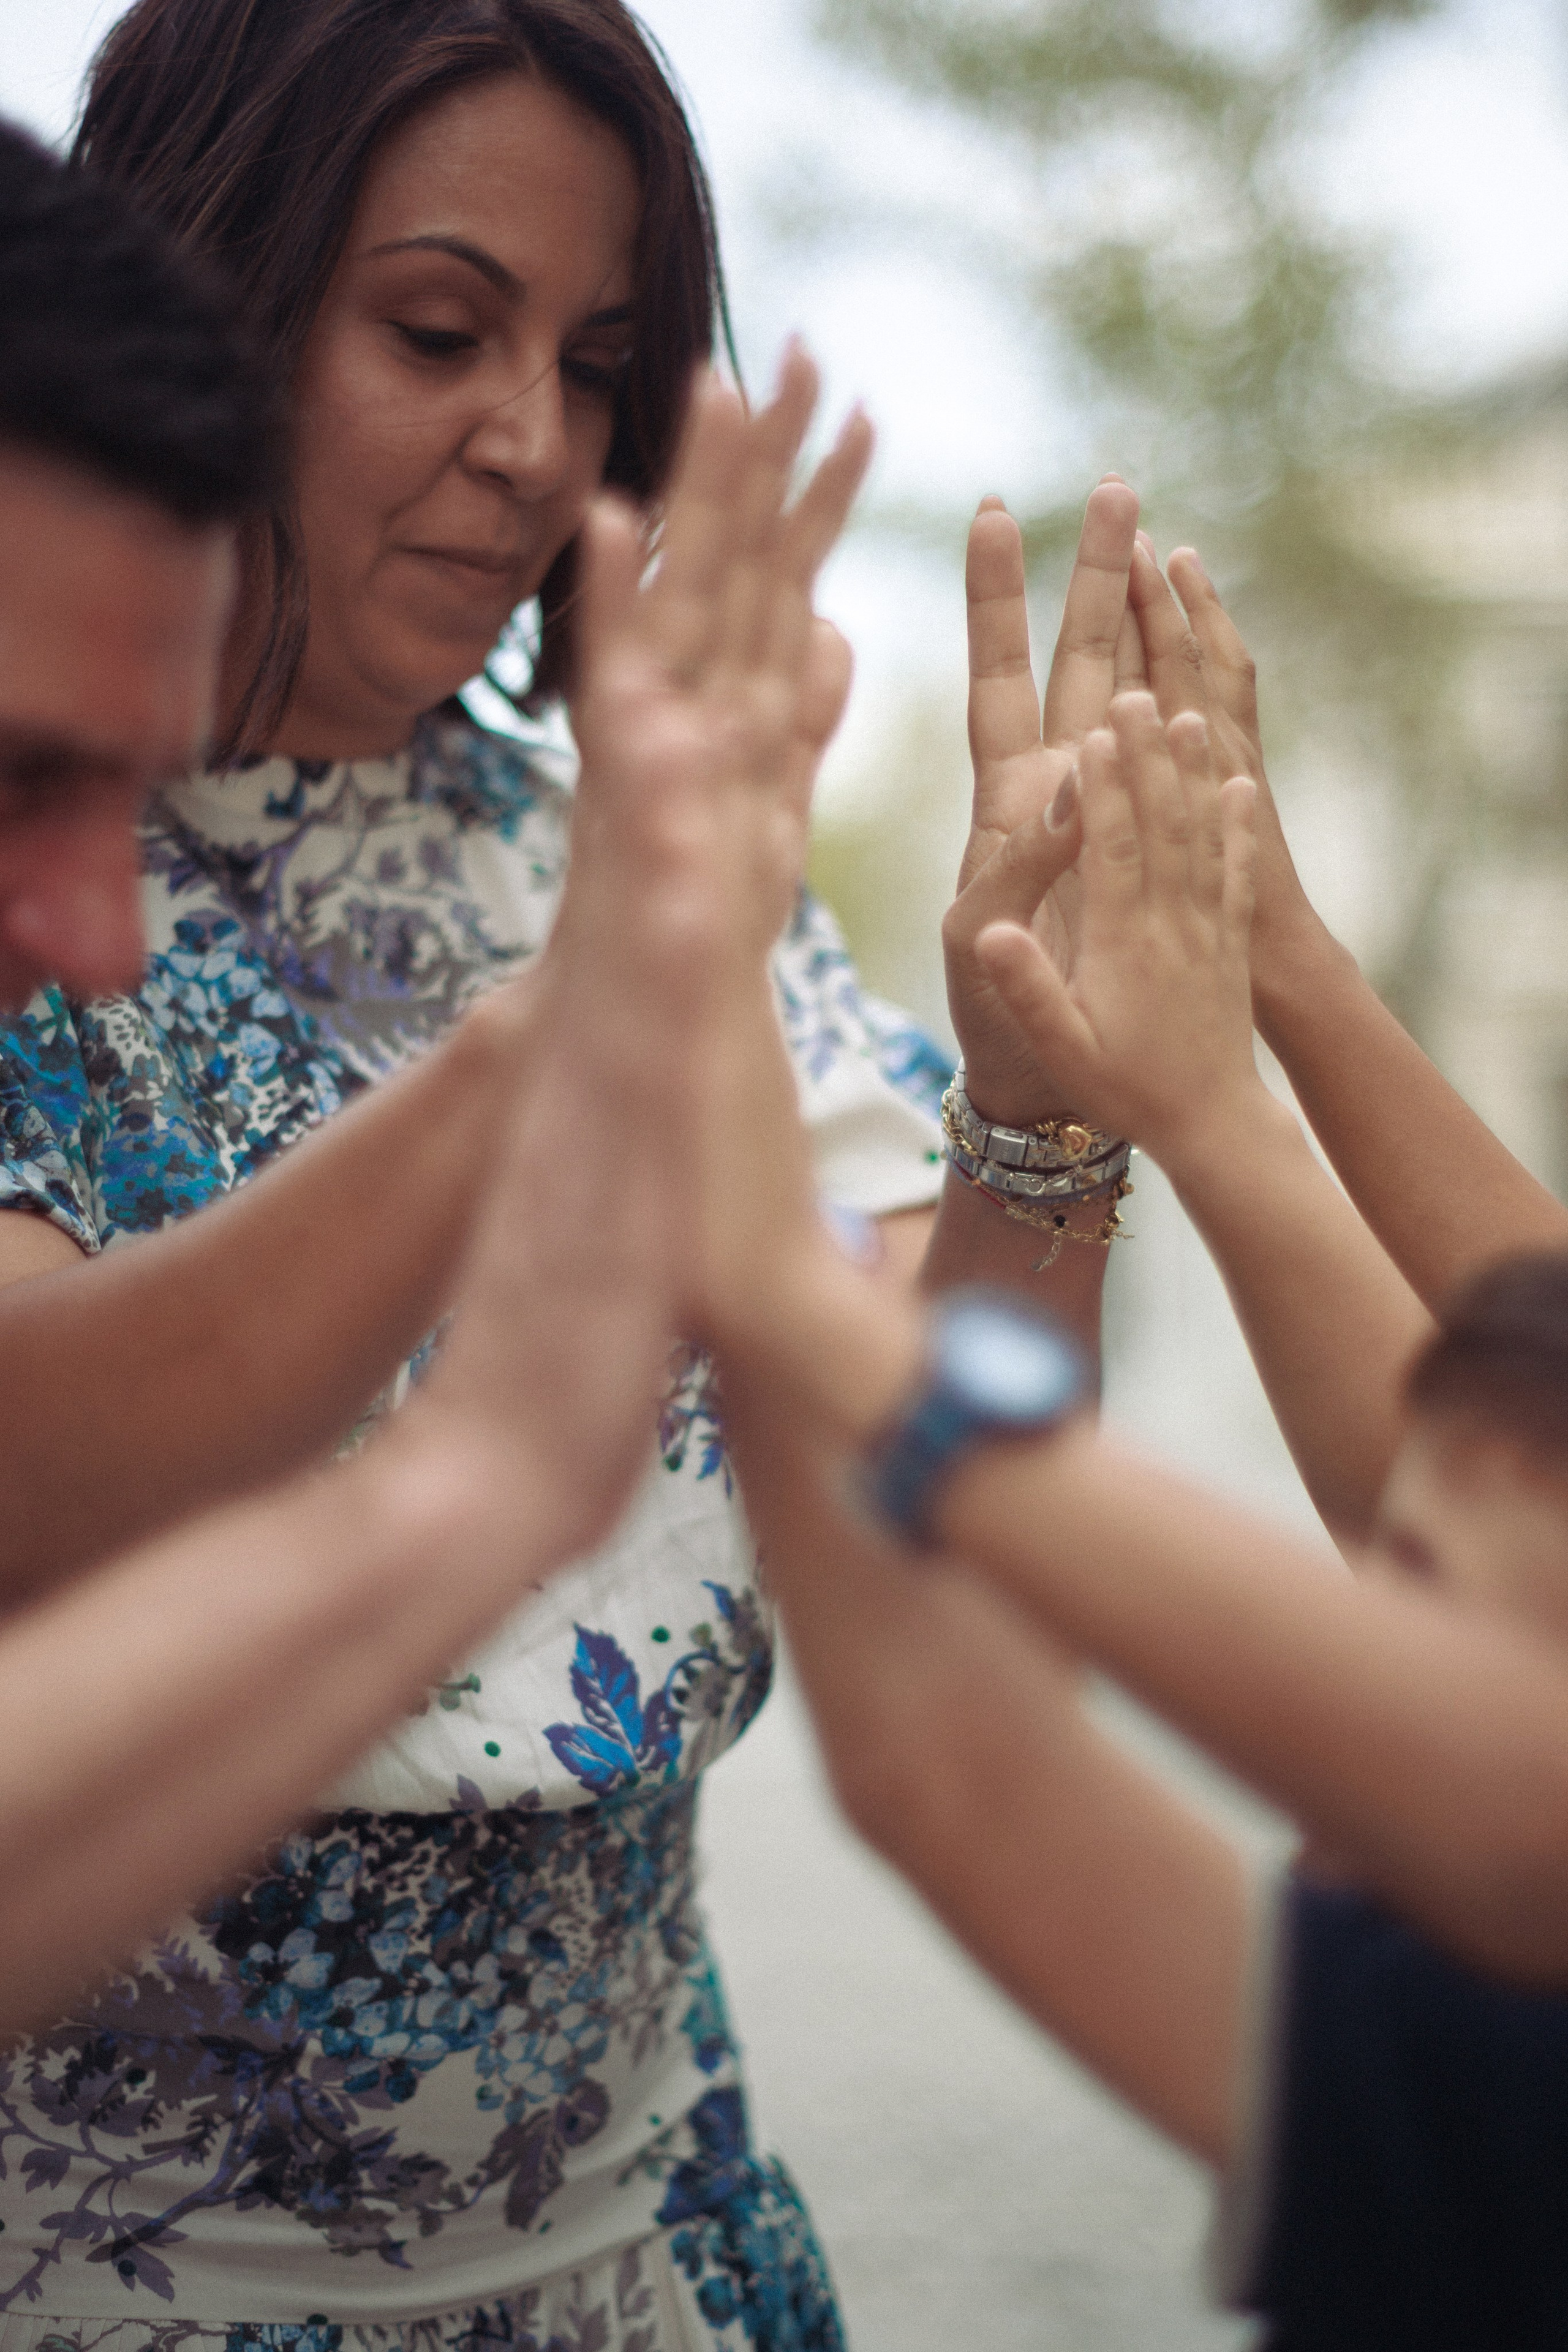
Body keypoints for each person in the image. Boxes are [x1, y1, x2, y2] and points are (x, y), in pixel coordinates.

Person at [0, 6, 985, 2346]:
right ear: (206, 289)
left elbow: (946, 1464)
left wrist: (1063, 1113)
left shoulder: (634, 841)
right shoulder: (58, 862)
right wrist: (572, 1029)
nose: (533, 442)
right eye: (438, 332)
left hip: (658, 2252)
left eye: (602, 365)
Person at [692, 684, 1568, 2350]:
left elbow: (953, 1757)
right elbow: (1490, 1440)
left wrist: (774, 1276)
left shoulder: (1489, 2045)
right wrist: (1259, 1005)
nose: (1360, 1653)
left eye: (1408, 1593)